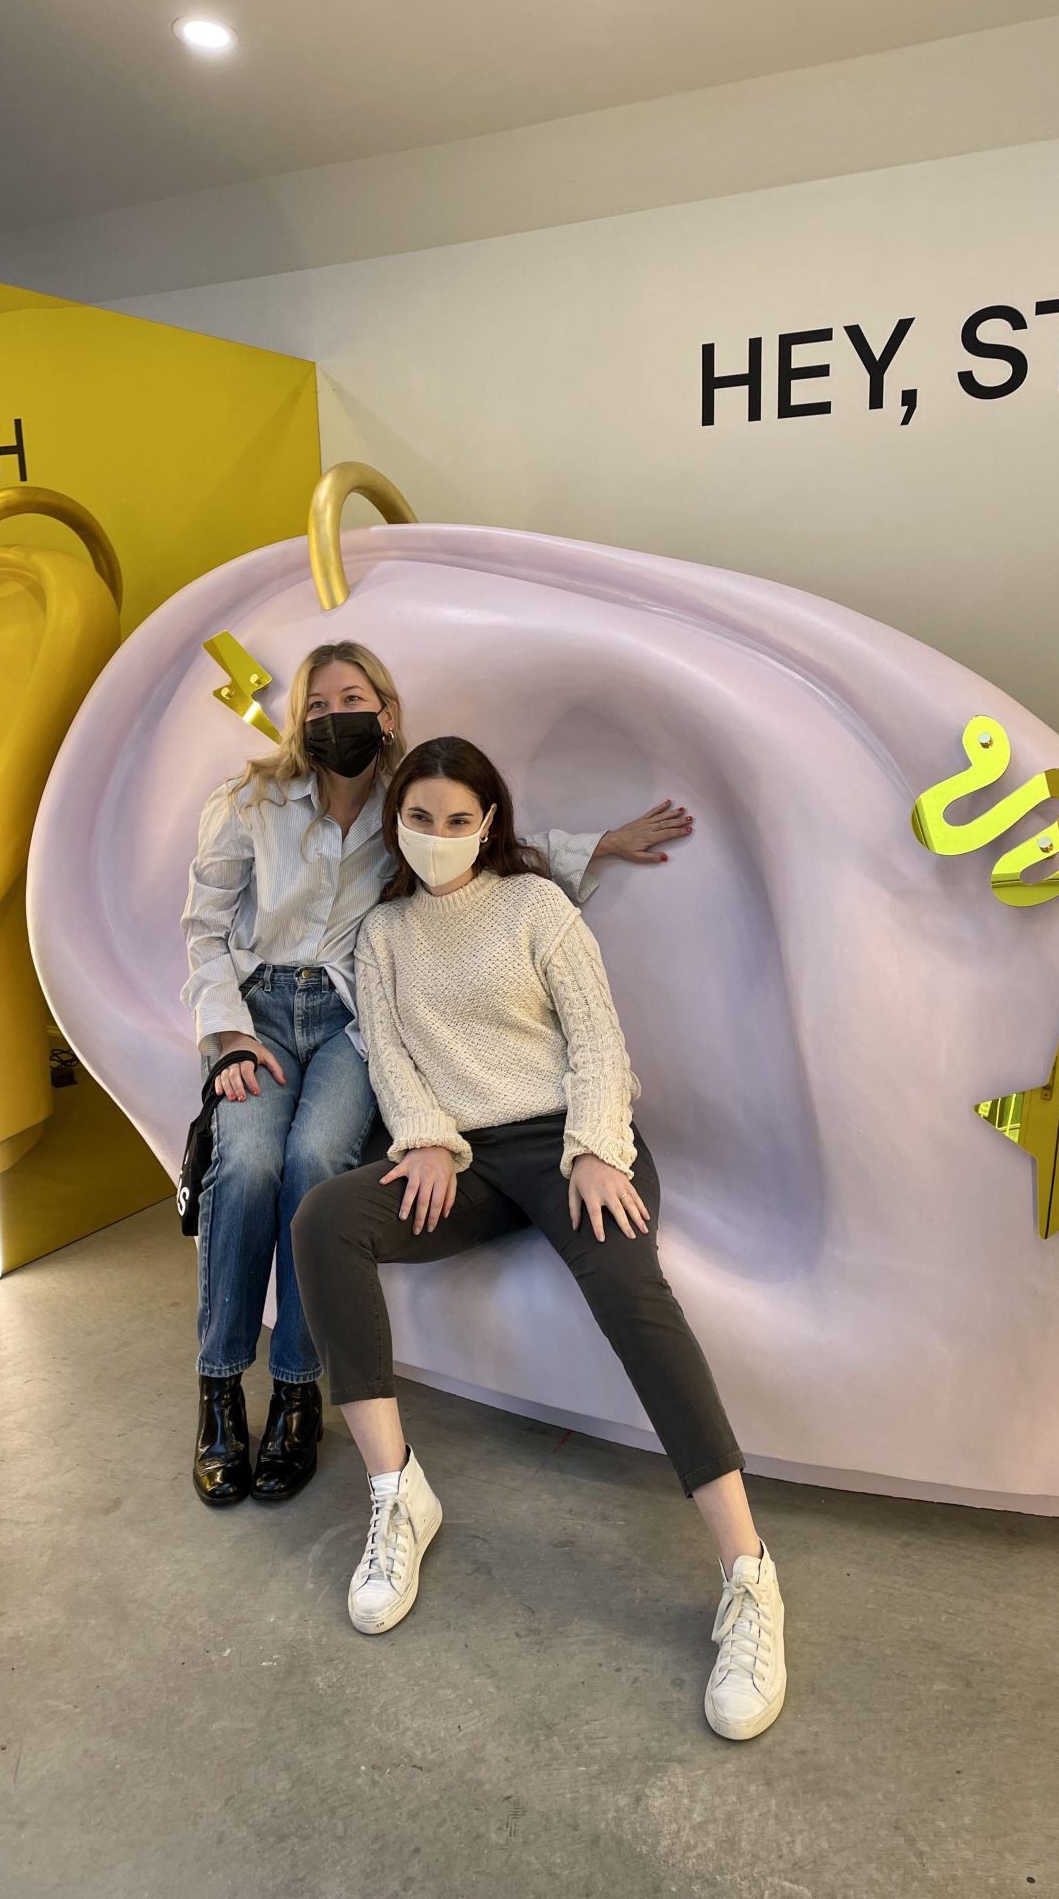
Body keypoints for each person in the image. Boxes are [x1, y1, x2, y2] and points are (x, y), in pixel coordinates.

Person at [291, 736, 787, 1741]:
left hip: (568, 1147)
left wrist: (597, 1146)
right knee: (326, 1215)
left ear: (489, 824)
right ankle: (398, 1496)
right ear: (399, 825)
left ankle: (750, 1580)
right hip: (462, 1163)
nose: (438, 836)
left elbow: (599, 1037)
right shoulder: (381, 935)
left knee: (630, 1296)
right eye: (420, 818)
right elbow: (389, 1057)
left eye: (458, 819)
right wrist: (426, 1140)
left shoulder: (535, 907)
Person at [180, 643, 693, 1508]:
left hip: (352, 1020)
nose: (332, 713)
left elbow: (490, 849)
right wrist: (226, 1036)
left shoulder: (405, 812)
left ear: (385, 708)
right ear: (300, 717)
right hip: (259, 1011)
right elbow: (203, 927)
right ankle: (222, 1385)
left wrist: (601, 844)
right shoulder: (248, 802)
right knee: (252, 1165)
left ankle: (299, 1390)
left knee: (315, 1168)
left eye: (354, 696)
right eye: (316, 702)